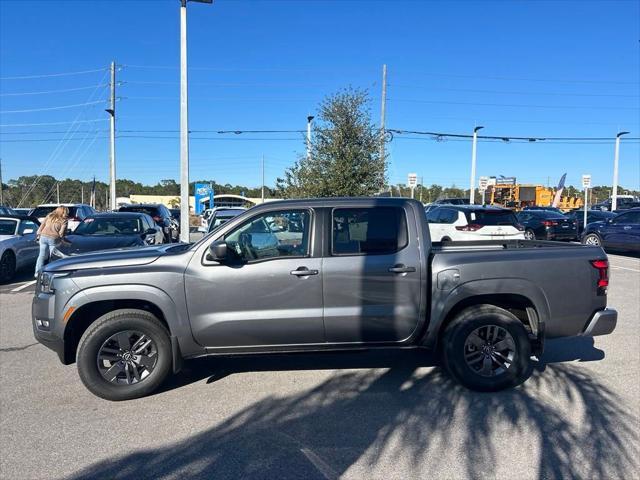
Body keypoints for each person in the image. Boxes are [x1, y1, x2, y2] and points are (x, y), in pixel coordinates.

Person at [34, 206, 68, 277]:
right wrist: (63, 240)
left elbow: (42, 225)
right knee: (53, 256)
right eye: (66, 212)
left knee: (42, 255)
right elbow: (61, 233)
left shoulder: (49, 216)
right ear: (63, 212)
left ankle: (37, 273)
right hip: (53, 238)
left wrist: (38, 234)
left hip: (43, 237)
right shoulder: (64, 220)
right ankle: (51, 273)